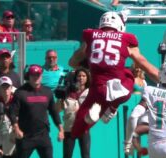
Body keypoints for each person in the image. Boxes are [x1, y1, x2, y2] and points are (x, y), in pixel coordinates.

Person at [68, 11, 160, 139]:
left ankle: (97, 114)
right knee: (128, 74)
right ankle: (112, 107)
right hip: (117, 89)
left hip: (97, 88)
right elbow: (147, 67)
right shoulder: (126, 41)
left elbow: (72, 62)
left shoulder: (91, 37)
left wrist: (89, 63)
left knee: (76, 130)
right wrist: (165, 79)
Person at [8, 64, 66, 158]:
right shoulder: (21, 92)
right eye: (33, 75)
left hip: (43, 135)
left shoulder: (47, 92)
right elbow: (13, 112)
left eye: (38, 74)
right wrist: (16, 128)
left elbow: (53, 112)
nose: (36, 77)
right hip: (26, 135)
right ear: (29, 76)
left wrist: (61, 129)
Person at [55, 68, 94, 158]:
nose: (81, 78)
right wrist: (60, 99)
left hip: (83, 128)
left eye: (84, 76)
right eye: (79, 75)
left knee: (86, 157)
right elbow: (57, 110)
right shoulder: (68, 92)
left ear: (87, 78)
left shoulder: (90, 92)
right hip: (69, 129)